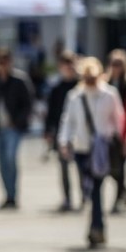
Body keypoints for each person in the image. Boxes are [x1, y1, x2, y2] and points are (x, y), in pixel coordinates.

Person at [57, 57, 125, 248]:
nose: (90, 81)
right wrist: (64, 141)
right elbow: (67, 121)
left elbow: (118, 119)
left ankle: (95, 229)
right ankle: (98, 225)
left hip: (102, 149)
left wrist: (122, 139)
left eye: (92, 77)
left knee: (96, 188)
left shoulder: (109, 94)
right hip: (82, 148)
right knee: (87, 189)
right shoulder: (75, 96)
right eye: (86, 77)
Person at [0, 47, 34, 209]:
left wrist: (17, 121)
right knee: (1, 163)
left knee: (10, 159)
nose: (2, 66)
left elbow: (28, 104)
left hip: (13, 128)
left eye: (5, 62)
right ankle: (8, 196)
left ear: (10, 62)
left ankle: (13, 195)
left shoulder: (19, 80)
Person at [44, 50, 81, 212]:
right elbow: (51, 111)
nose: (67, 68)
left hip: (80, 133)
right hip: (62, 133)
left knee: (82, 166)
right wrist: (48, 131)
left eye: (70, 64)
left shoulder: (81, 86)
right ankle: (67, 198)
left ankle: (85, 195)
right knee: (64, 167)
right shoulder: (57, 88)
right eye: (64, 65)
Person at [104, 49, 126, 213]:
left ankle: (118, 197)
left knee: (121, 164)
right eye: (113, 64)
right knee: (110, 167)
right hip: (109, 131)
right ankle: (124, 190)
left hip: (125, 130)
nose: (116, 67)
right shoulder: (105, 83)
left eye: (119, 64)